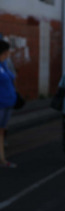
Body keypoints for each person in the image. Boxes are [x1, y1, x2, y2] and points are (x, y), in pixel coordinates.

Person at [0, 40, 17, 168]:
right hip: (1, 104)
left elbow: (12, 76)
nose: (7, 55)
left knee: (1, 132)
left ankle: (2, 159)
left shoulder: (3, 64)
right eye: (5, 53)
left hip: (7, 104)